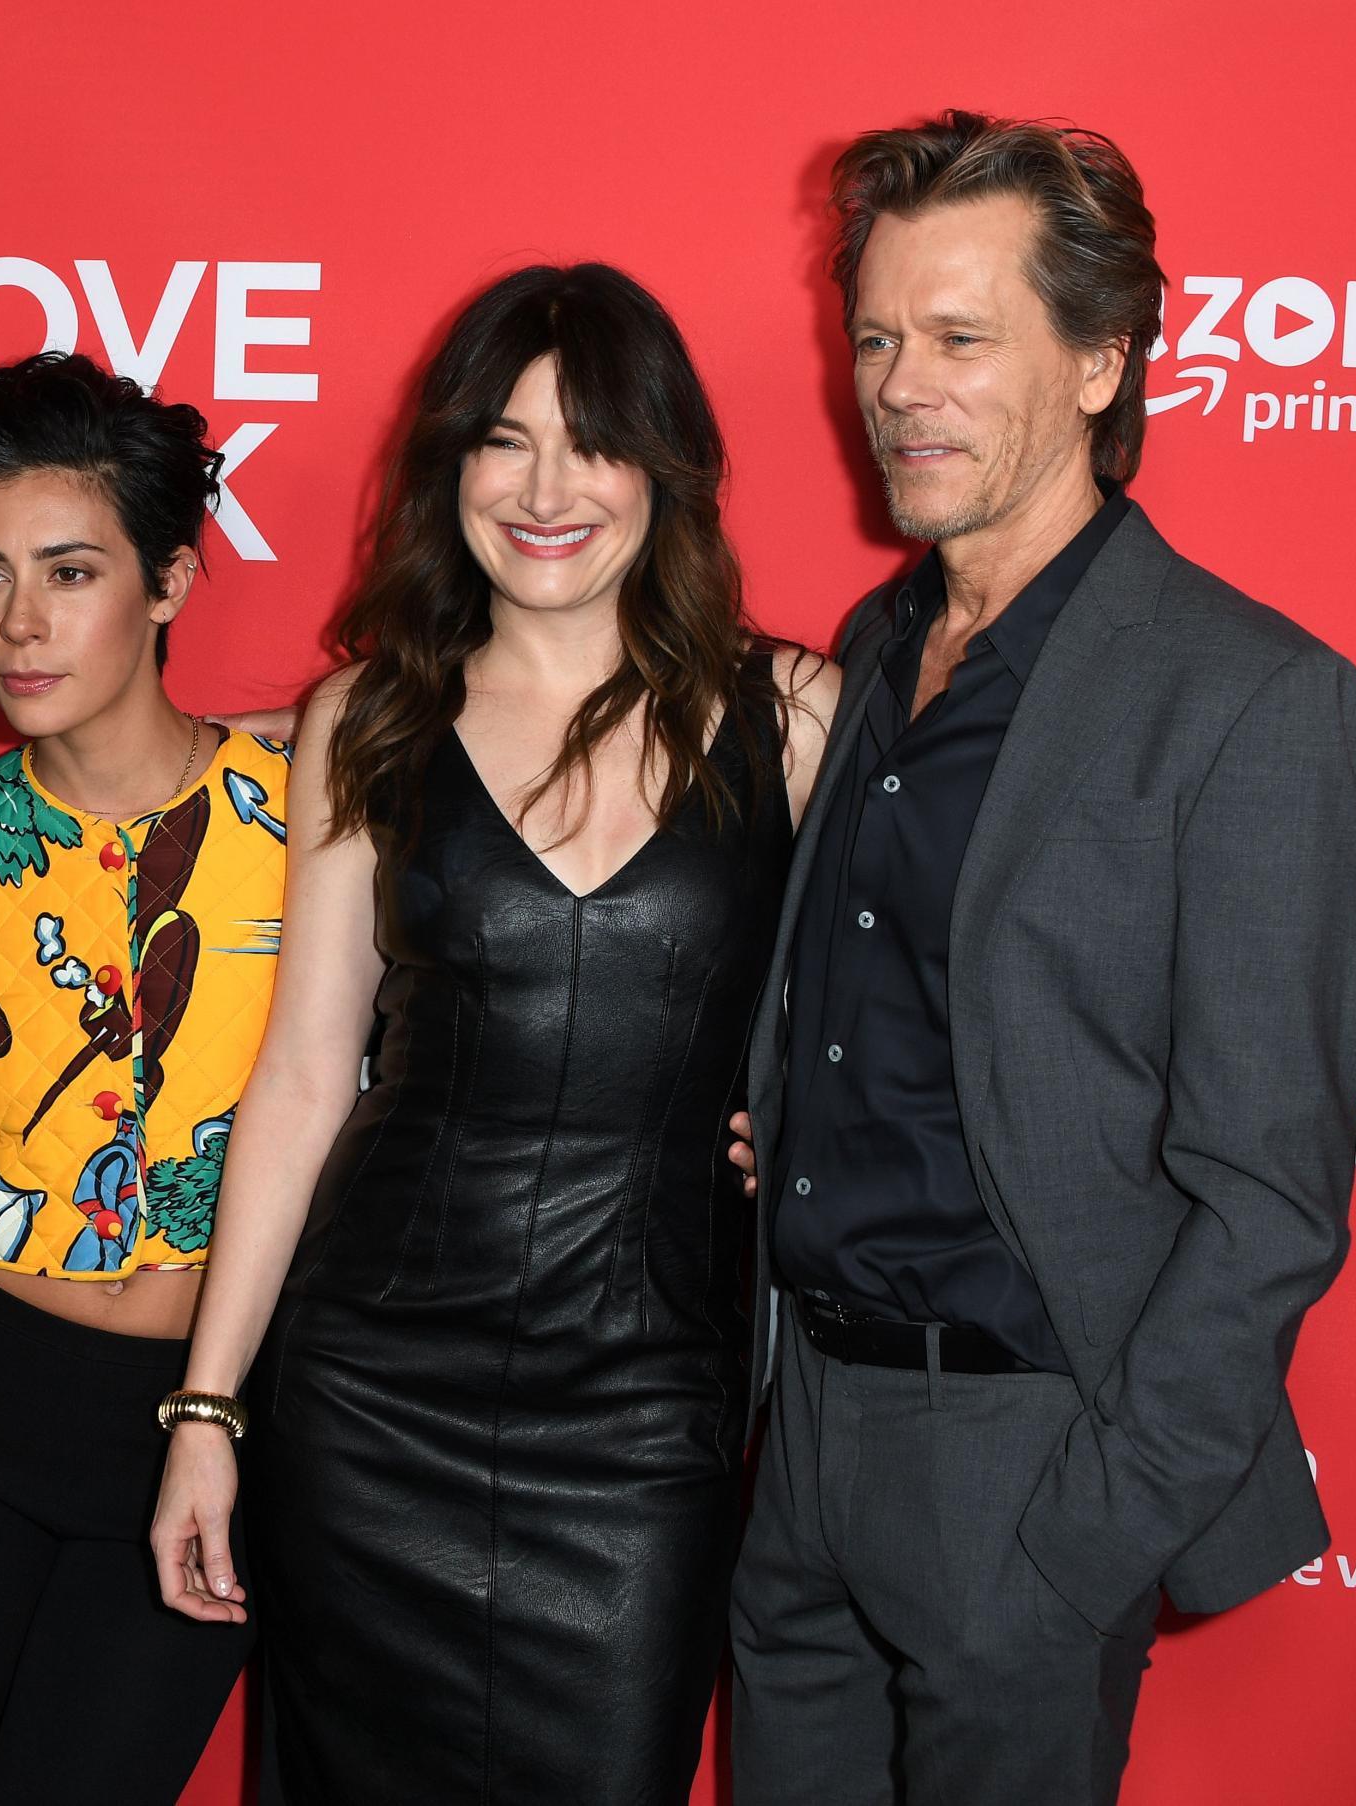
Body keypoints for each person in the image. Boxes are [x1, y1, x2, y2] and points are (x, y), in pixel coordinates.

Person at [722, 112, 1356, 1806]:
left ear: (1100, 360)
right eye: (875, 336)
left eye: (959, 337)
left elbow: (1271, 1196)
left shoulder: (1246, 697)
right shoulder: (878, 644)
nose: (899, 385)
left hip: (1021, 1461)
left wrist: (1083, 1535)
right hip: (804, 1439)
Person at [151, 263, 837, 1804]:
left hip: (646, 1408)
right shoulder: (371, 713)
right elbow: (308, 1073)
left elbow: (871, 1018)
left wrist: (794, 1121)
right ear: (449, 462)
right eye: (503, 440)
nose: (544, 490)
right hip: (373, 1389)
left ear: (664, 467)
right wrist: (209, 1411)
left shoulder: (793, 712)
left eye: (591, 442)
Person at [0, 351, 273, 1805]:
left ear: (168, 581)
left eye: (68, 571)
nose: (18, 624)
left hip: (205, 1408)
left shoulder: (308, 826)